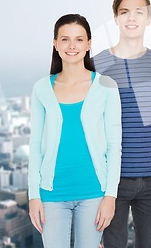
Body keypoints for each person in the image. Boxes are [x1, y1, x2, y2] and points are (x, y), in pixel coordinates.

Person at [28, 14, 122, 248]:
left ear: (89, 44)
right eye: (65, 39)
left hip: (93, 192)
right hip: (51, 194)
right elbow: (35, 145)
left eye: (79, 40)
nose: (72, 46)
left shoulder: (106, 86)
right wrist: (33, 196)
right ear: (55, 44)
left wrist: (110, 196)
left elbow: (114, 145)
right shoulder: (41, 88)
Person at [93, 0, 151, 248]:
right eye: (125, 12)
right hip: (111, 181)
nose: (132, 18)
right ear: (115, 18)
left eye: (139, 12)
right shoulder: (96, 65)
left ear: (149, 18)